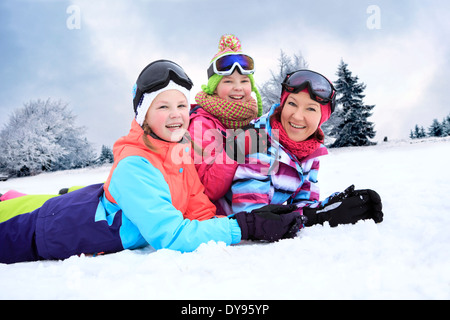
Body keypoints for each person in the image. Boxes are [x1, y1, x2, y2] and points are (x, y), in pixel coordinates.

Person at [0, 60, 303, 264]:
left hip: (91, 200)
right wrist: (245, 227)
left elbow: (198, 206)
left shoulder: (180, 147)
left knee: (19, 201)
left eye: (182, 105)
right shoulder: (134, 166)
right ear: (143, 115)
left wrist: (247, 219)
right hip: (51, 229)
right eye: (163, 106)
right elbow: (171, 236)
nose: (176, 114)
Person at [219, 69, 384, 227]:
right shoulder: (258, 140)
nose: (297, 116)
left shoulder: (310, 151)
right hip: (220, 227)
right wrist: (313, 217)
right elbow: (250, 215)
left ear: (322, 118)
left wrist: (332, 206)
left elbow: (304, 201)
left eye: (311, 108)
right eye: (292, 103)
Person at [188, 34, 262, 205]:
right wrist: (234, 151)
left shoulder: (255, 118)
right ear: (214, 89)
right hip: (219, 215)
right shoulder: (201, 124)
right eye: (228, 81)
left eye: (244, 81)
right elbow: (207, 189)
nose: (238, 87)